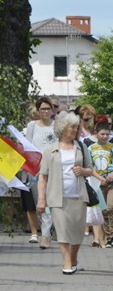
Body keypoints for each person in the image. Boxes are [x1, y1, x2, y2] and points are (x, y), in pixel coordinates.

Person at [36, 111, 94, 274]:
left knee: (77, 233)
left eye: (76, 128)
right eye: (72, 127)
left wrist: (82, 170)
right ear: (62, 128)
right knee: (62, 231)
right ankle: (67, 262)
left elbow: (91, 170)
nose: (75, 131)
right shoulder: (50, 150)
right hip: (57, 198)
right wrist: (42, 199)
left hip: (78, 196)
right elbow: (43, 176)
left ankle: (74, 258)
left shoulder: (81, 148)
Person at [24, 97, 58, 247]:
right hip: (36, 169)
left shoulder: (56, 126)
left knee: (51, 201)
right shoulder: (32, 126)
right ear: (38, 111)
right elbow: (27, 147)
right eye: (42, 109)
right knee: (40, 202)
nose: (45, 111)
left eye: (48, 108)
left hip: (54, 168)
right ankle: (46, 230)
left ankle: (45, 234)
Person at [88, 120, 113, 248]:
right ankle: (106, 236)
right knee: (102, 209)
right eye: (102, 134)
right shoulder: (90, 148)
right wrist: (99, 178)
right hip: (98, 182)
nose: (105, 137)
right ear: (96, 134)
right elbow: (89, 167)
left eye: (107, 134)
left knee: (112, 206)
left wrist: (112, 175)